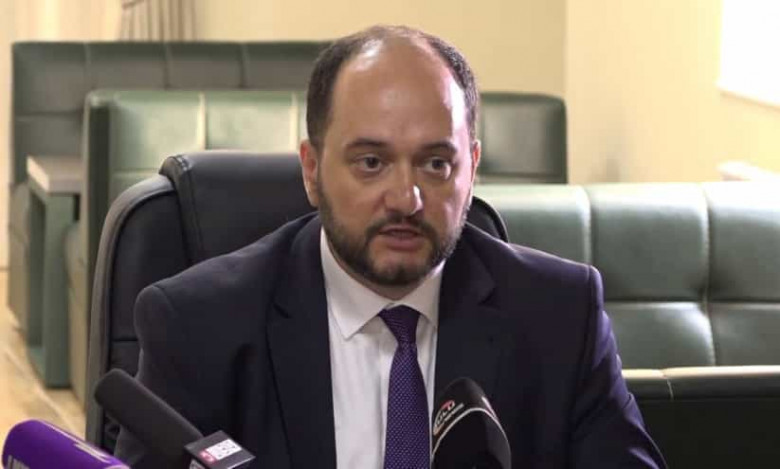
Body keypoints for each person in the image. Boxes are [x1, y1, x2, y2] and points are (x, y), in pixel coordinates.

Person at [116, 25, 666, 468]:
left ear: (472, 169)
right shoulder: (199, 324)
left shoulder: (559, 315)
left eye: (436, 164)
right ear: (311, 169)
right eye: (371, 162)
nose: (406, 199)